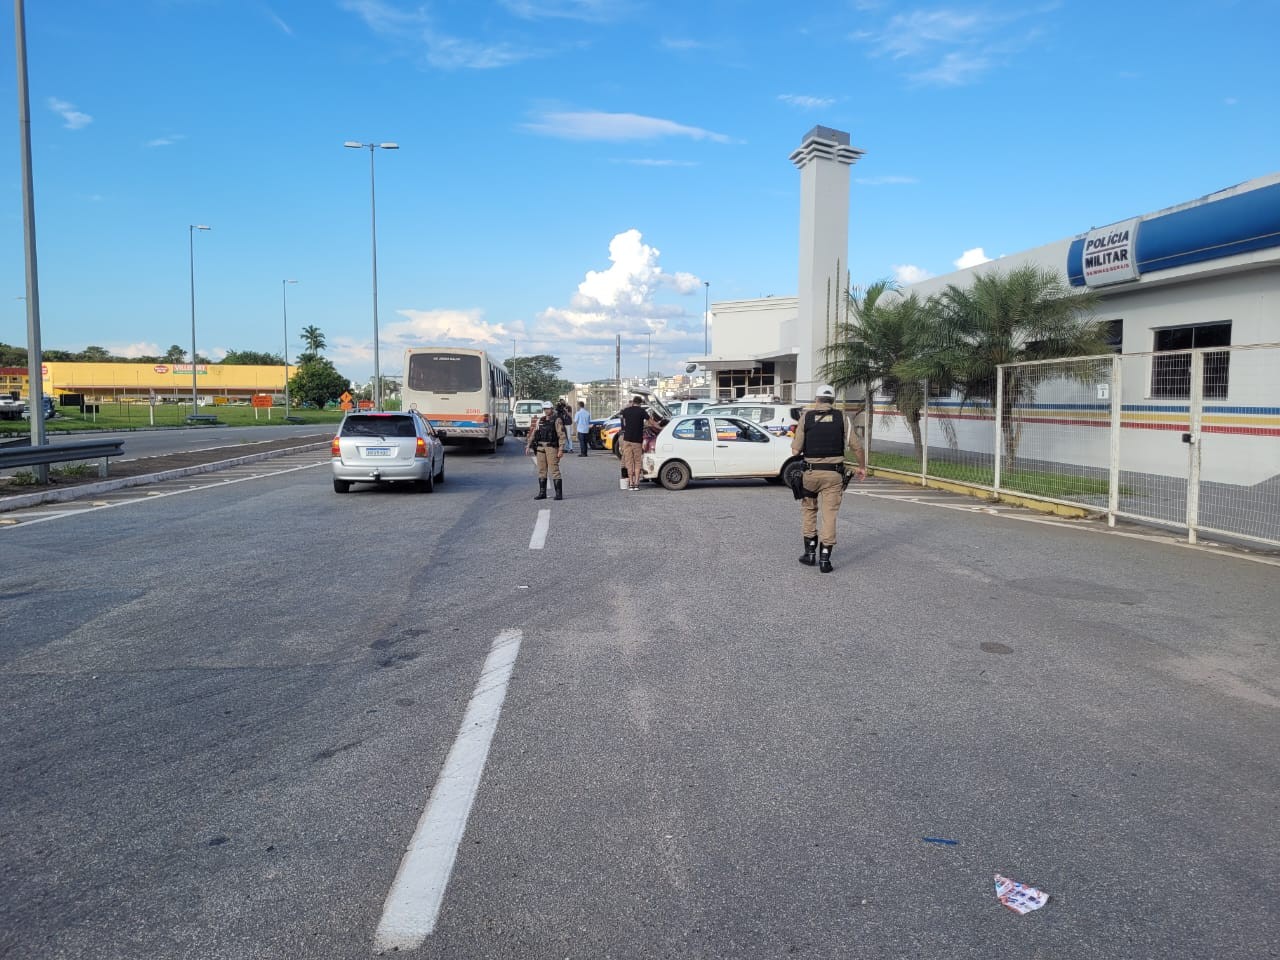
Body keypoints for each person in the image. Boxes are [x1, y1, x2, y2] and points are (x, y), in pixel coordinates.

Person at [791, 384, 866, 572]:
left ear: (816, 400)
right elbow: (857, 447)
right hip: (833, 475)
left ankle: (809, 554)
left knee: (809, 510)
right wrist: (862, 467)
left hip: (810, 474)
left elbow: (795, 450)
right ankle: (825, 559)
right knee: (829, 515)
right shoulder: (841, 418)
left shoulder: (806, 417)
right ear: (833, 401)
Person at [617, 395, 661, 491]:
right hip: (637, 440)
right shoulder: (642, 411)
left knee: (629, 462)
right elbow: (652, 422)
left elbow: (623, 420)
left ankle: (631, 484)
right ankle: (636, 484)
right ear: (640, 403)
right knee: (637, 462)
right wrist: (661, 428)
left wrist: (628, 406)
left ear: (633, 402)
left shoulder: (627, 411)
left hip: (627, 439)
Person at [525, 400, 566, 500]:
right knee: (541, 470)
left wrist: (561, 449)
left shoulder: (557, 420)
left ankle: (558, 494)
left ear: (552, 409)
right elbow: (534, 433)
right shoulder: (541, 420)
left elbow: (561, 435)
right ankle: (542, 493)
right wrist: (528, 445)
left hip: (551, 447)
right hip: (540, 448)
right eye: (545, 409)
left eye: (548, 409)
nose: (546, 411)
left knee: (554, 470)